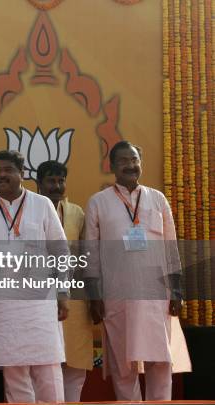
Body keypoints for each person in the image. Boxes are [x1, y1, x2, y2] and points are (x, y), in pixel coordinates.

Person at [83, 140, 191, 400]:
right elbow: (91, 253)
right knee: (124, 363)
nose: (130, 166)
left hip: (156, 296)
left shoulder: (157, 198)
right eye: (123, 161)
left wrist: (176, 290)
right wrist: (94, 295)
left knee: (160, 360)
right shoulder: (99, 202)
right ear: (112, 166)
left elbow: (170, 247)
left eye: (134, 160)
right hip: (117, 296)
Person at [0, 150, 69, 403]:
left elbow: (60, 249)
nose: (1, 175)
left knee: (48, 369)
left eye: (8, 169)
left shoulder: (41, 204)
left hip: (40, 302)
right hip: (2, 306)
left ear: (22, 173)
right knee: (14, 373)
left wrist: (64, 292)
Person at [36, 160, 93, 402]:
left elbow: (86, 258)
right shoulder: (29, 210)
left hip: (73, 299)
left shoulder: (77, 213)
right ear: (38, 184)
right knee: (42, 363)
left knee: (75, 364)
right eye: (51, 180)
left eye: (61, 181)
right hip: (38, 296)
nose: (57, 186)